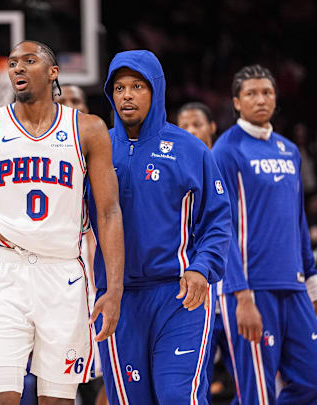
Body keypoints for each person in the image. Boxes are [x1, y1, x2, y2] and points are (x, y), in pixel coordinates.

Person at [0, 40, 124, 405]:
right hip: (6, 274)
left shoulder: (87, 129)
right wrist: (1, 229)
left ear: (53, 72)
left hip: (64, 276)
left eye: (29, 61)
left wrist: (113, 289)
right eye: (12, 63)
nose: (18, 68)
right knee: (0, 398)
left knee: (57, 400)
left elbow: (109, 212)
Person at [88, 50, 231, 405]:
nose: (127, 95)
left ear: (156, 90)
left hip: (179, 295)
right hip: (117, 298)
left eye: (137, 86)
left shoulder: (191, 149)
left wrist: (201, 269)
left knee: (176, 397)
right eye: (119, 87)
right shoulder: (97, 149)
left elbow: (217, 219)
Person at [212, 64, 317, 404]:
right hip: (250, 288)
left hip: (293, 286)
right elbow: (222, 227)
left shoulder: (290, 151)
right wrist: (241, 296)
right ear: (236, 102)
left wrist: (316, 291)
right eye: (251, 93)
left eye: (267, 92)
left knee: (314, 383)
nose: (260, 99)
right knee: (258, 394)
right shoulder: (226, 149)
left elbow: (299, 223)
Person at [177, 101, 234, 403]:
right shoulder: (176, 166)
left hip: (234, 284)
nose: (190, 131)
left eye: (196, 124)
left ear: (212, 127)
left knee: (246, 377)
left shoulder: (226, 162)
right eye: (183, 126)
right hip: (196, 284)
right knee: (197, 378)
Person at [56, 84, 106, 405]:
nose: (72, 106)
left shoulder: (107, 154)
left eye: (78, 101)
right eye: (64, 101)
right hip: (58, 283)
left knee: (106, 386)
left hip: (100, 280)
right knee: (62, 388)